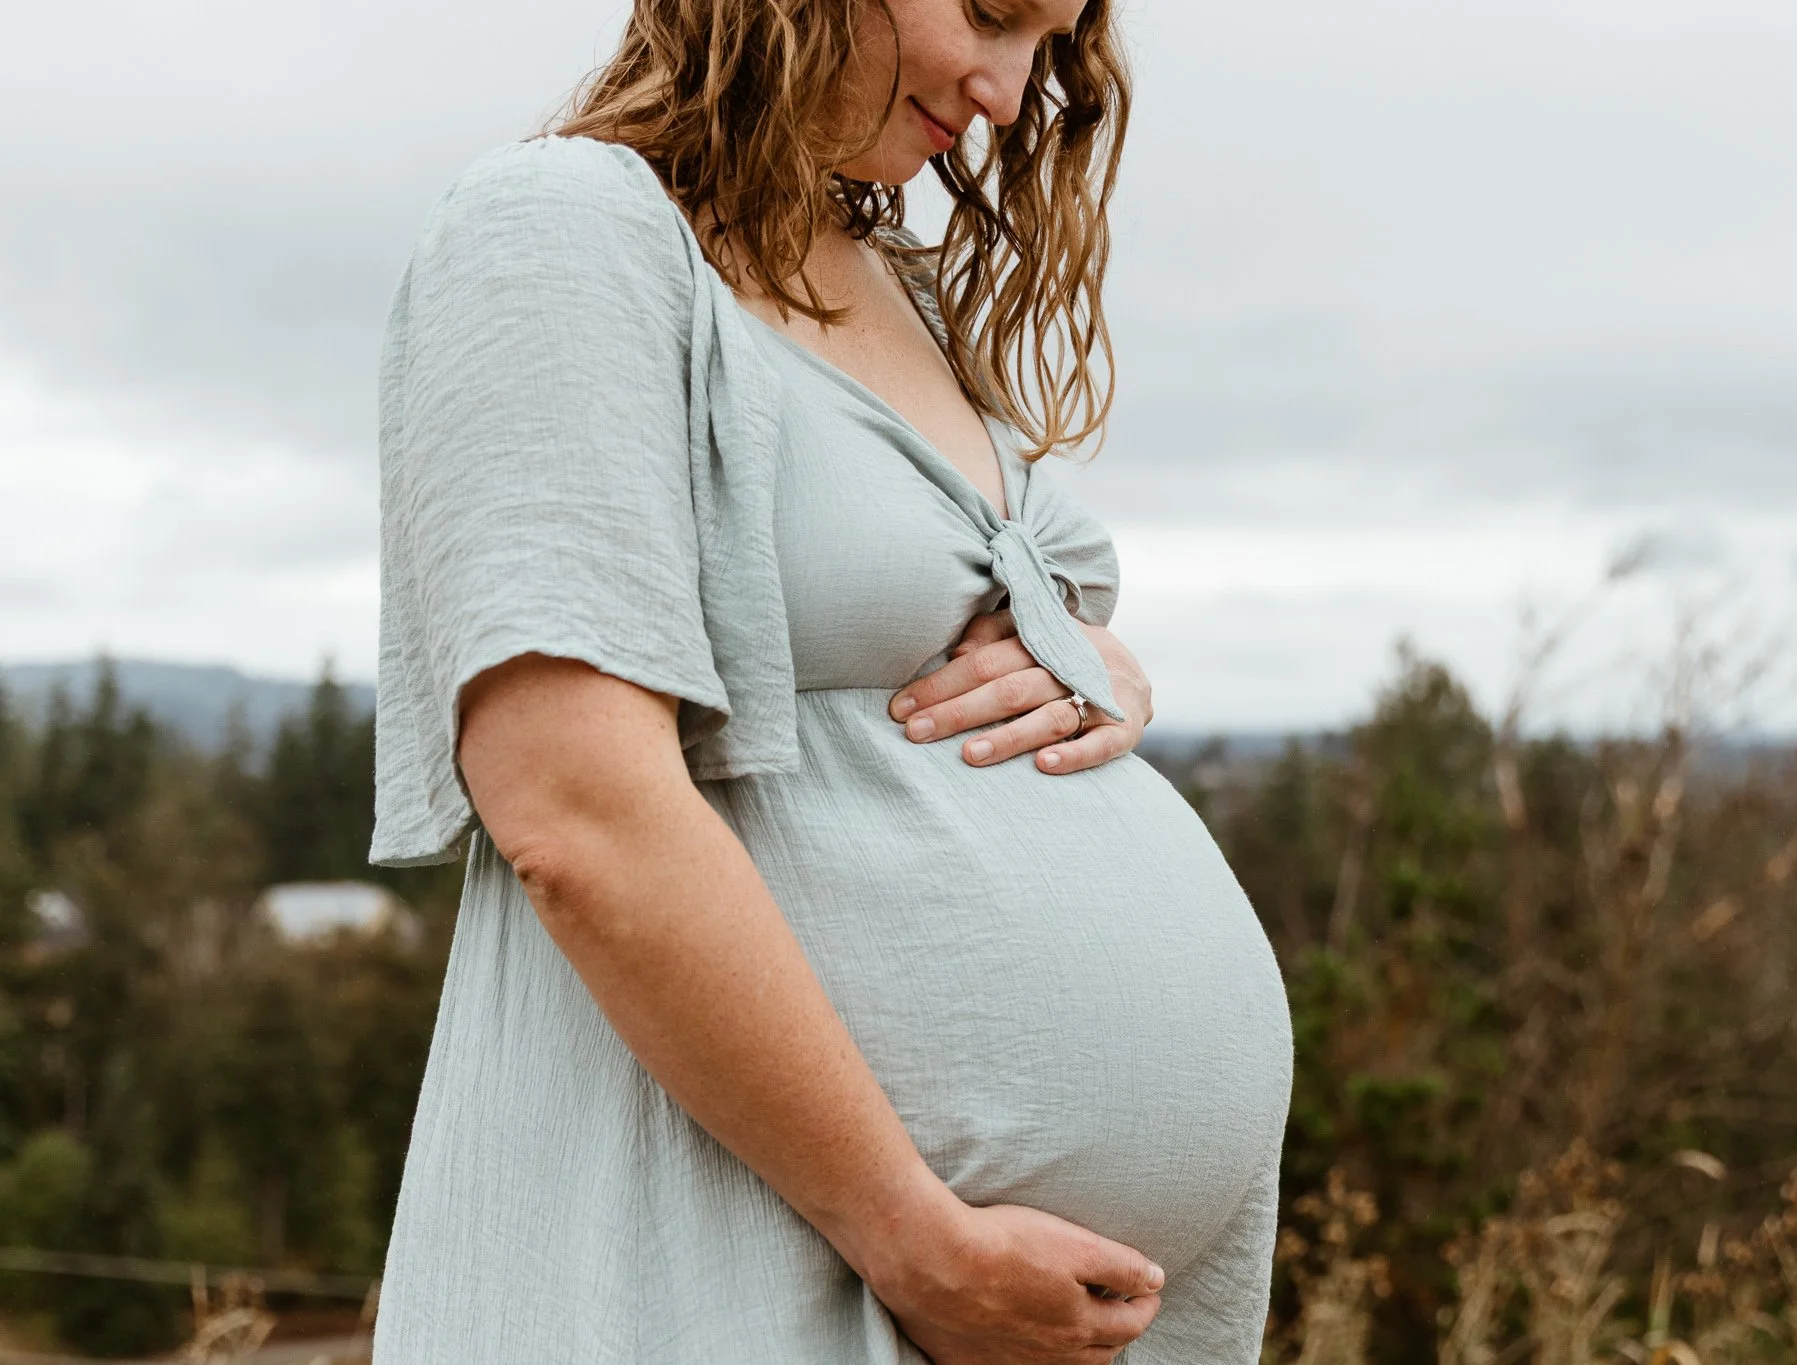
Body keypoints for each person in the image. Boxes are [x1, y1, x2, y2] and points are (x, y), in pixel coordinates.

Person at [365, 0, 1294, 1359]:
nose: (1003, 89)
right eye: (989, 15)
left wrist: (1093, 664)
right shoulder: (559, 229)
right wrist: (909, 1233)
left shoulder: (881, 267)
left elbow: (913, 612)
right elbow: (573, 806)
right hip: (748, 1269)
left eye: (1046, 44)